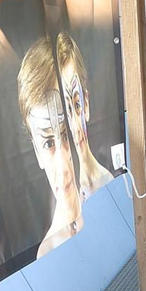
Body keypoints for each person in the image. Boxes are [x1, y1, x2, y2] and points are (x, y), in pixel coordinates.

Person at [17, 40, 86, 259]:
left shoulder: (109, 185)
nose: (63, 164)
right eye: (48, 143)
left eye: (67, 135)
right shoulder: (48, 252)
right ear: (36, 152)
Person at [52, 32, 115, 199]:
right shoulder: (65, 197)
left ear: (85, 104)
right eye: (65, 111)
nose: (74, 127)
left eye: (77, 105)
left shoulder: (107, 179)